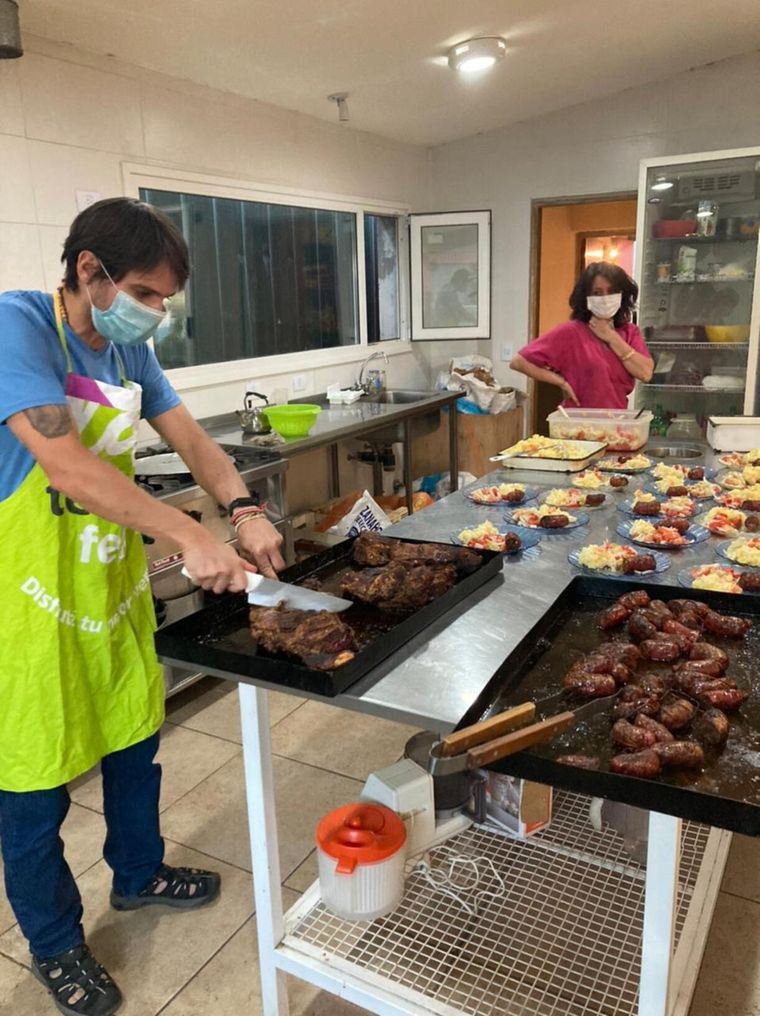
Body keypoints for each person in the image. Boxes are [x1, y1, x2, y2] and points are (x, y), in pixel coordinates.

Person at [0, 198, 285, 1016]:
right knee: (32, 788)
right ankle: (55, 943)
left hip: (107, 590)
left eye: (165, 298)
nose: (155, 312)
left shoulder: (126, 352)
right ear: (88, 269)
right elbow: (65, 467)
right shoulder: (18, 328)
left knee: (134, 744)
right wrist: (186, 532)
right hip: (23, 606)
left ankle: (138, 873)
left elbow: (191, 439)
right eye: (144, 293)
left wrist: (243, 509)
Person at [510, 261, 653, 408]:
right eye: (597, 293)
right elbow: (519, 362)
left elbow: (645, 373)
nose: (605, 298)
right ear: (586, 297)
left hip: (617, 418)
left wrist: (611, 337)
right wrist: (561, 382)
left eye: (612, 292)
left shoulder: (630, 333)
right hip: (578, 418)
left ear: (622, 295)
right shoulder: (570, 332)